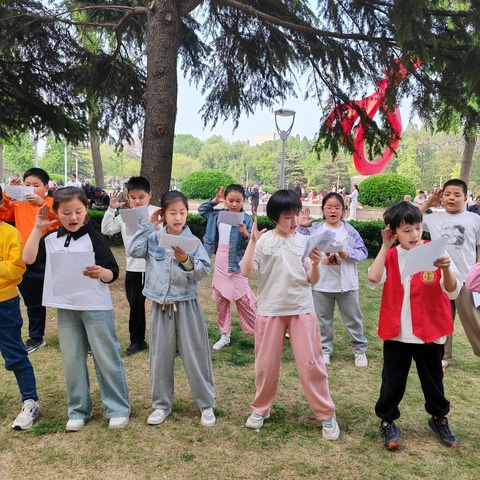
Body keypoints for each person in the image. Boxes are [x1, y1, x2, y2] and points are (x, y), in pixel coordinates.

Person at [23, 187, 130, 431]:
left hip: (95, 307)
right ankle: (79, 409)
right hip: (66, 308)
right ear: (56, 213)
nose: (73, 218)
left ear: (86, 210)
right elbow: (28, 259)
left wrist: (102, 273)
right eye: (67, 212)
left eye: (78, 211)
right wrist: (38, 228)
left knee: (106, 357)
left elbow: (112, 271)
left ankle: (117, 408)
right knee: (72, 360)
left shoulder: (94, 238)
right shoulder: (50, 240)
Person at [241, 189, 340, 440]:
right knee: (265, 364)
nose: (294, 221)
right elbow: (246, 271)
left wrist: (316, 264)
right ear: (275, 217)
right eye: (288, 217)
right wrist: (252, 242)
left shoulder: (305, 241)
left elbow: (311, 280)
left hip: (301, 309)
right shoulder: (264, 241)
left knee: (311, 364)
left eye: (297, 214)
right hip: (270, 310)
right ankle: (261, 408)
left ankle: (326, 413)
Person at [368, 201, 461, 450]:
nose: (414, 235)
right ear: (393, 231)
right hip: (397, 331)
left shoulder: (436, 251)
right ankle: (387, 421)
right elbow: (374, 278)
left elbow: (452, 292)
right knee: (392, 380)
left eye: (418, 228)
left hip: (430, 330)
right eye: (407, 230)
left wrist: (446, 269)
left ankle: (439, 417)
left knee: (433, 380)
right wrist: (385, 246)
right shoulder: (390, 255)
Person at [127, 191, 216, 427]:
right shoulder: (155, 238)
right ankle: (161, 405)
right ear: (163, 214)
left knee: (196, 355)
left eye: (182, 212)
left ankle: (206, 404)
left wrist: (186, 259)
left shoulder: (193, 242)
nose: (178, 218)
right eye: (172, 213)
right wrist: (148, 225)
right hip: (160, 305)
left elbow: (203, 271)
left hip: (187, 305)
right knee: (160, 358)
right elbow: (133, 251)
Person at [298, 193, 369, 367]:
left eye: (337, 207)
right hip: (321, 283)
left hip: (346, 284)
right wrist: (301, 226)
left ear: (343, 210)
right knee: (323, 320)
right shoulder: (315, 228)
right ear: (323, 209)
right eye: (329, 207)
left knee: (353, 319)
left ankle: (359, 351)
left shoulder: (349, 231)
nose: (333, 211)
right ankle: (325, 350)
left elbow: (363, 251)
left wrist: (348, 254)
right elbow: (299, 243)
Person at [420, 179, 480, 368]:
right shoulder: (434, 217)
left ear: (465, 198)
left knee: (474, 319)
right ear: (442, 197)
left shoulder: (475, 219)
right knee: (443, 318)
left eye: (456, 195)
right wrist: (429, 203)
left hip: (468, 279)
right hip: (442, 277)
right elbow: (411, 218)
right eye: (447, 194)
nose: (451, 198)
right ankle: (443, 356)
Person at [0, 168, 58, 353]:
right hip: (28, 258)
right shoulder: (19, 204)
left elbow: (64, 218)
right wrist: (8, 194)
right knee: (33, 301)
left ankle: (77, 335)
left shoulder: (52, 203)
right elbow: (2, 214)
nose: (31, 189)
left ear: (46, 187)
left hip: (52, 257)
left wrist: (43, 203)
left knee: (64, 298)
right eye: (27, 185)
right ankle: (36, 337)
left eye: (36, 185)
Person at [101, 176, 156, 355]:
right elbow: (106, 229)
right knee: (135, 306)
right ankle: (137, 340)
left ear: (149, 195)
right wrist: (111, 209)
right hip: (134, 268)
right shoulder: (125, 216)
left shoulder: (158, 212)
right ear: (128, 197)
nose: (137, 201)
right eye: (133, 197)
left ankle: (170, 340)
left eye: (141, 197)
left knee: (164, 304)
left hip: (157, 267)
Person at [0, 185, 40, 430]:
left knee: (14, 354)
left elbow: (17, 270)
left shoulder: (9, 233)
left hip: (4, 303)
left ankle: (30, 401)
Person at [199, 185, 257, 350]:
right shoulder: (218, 215)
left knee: (244, 300)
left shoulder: (246, 219)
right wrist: (215, 201)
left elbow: (252, 243)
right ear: (226, 199)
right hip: (221, 261)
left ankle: (261, 331)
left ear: (244, 201)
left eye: (238, 201)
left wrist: (245, 233)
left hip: (238, 263)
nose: (234, 204)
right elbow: (203, 211)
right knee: (221, 299)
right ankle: (225, 335)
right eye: (230, 200)